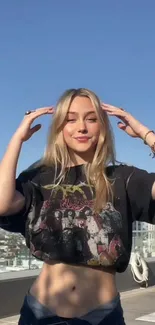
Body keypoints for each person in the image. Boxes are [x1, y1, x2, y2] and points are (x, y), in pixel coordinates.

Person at [0, 88, 155, 325]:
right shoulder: (39, 178)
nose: (81, 127)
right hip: (39, 313)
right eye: (70, 119)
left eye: (91, 119)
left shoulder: (123, 178)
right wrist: (17, 140)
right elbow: (3, 204)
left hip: (101, 317)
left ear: (102, 127)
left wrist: (146, 134)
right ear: (60, 128)